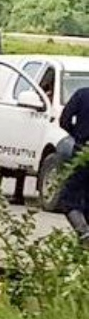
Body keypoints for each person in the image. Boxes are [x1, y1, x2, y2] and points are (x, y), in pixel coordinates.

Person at [57, 86, 89, 244]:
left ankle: (84, 234)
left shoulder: (82, 94)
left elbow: (64, 120)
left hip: (82, 153)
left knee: (68, 199)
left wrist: (78, 135)